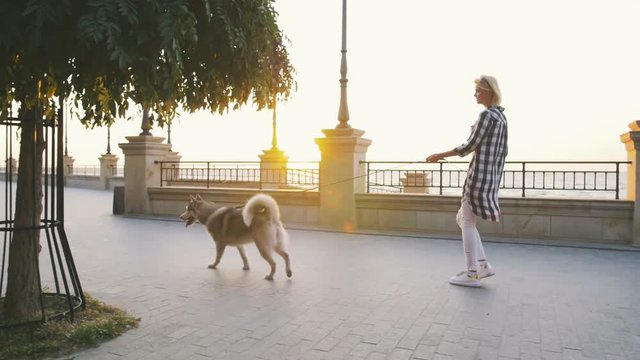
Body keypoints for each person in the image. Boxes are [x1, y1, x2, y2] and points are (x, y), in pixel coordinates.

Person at [426, 75, 508, 287]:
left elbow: (468, 146)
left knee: (467, 222)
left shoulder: (486, 116)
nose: (475, 95)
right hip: (489, 179)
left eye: (479, 91)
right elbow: (503, 152)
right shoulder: (501, 118)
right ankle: (482, 265)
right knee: (463, 219)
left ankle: (472, 273)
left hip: (477, 179)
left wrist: (438, 154)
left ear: (490, 91)